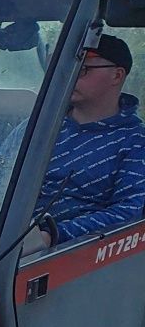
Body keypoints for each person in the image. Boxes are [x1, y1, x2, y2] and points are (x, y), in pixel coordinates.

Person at [24, 34, 145, 247]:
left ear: (116, 76)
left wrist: (53, 235)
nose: (68, 77)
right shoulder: (37, 126)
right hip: (8, 241)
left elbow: (128, 211)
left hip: (71, 256)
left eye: (82, 69)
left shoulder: (135, 141)